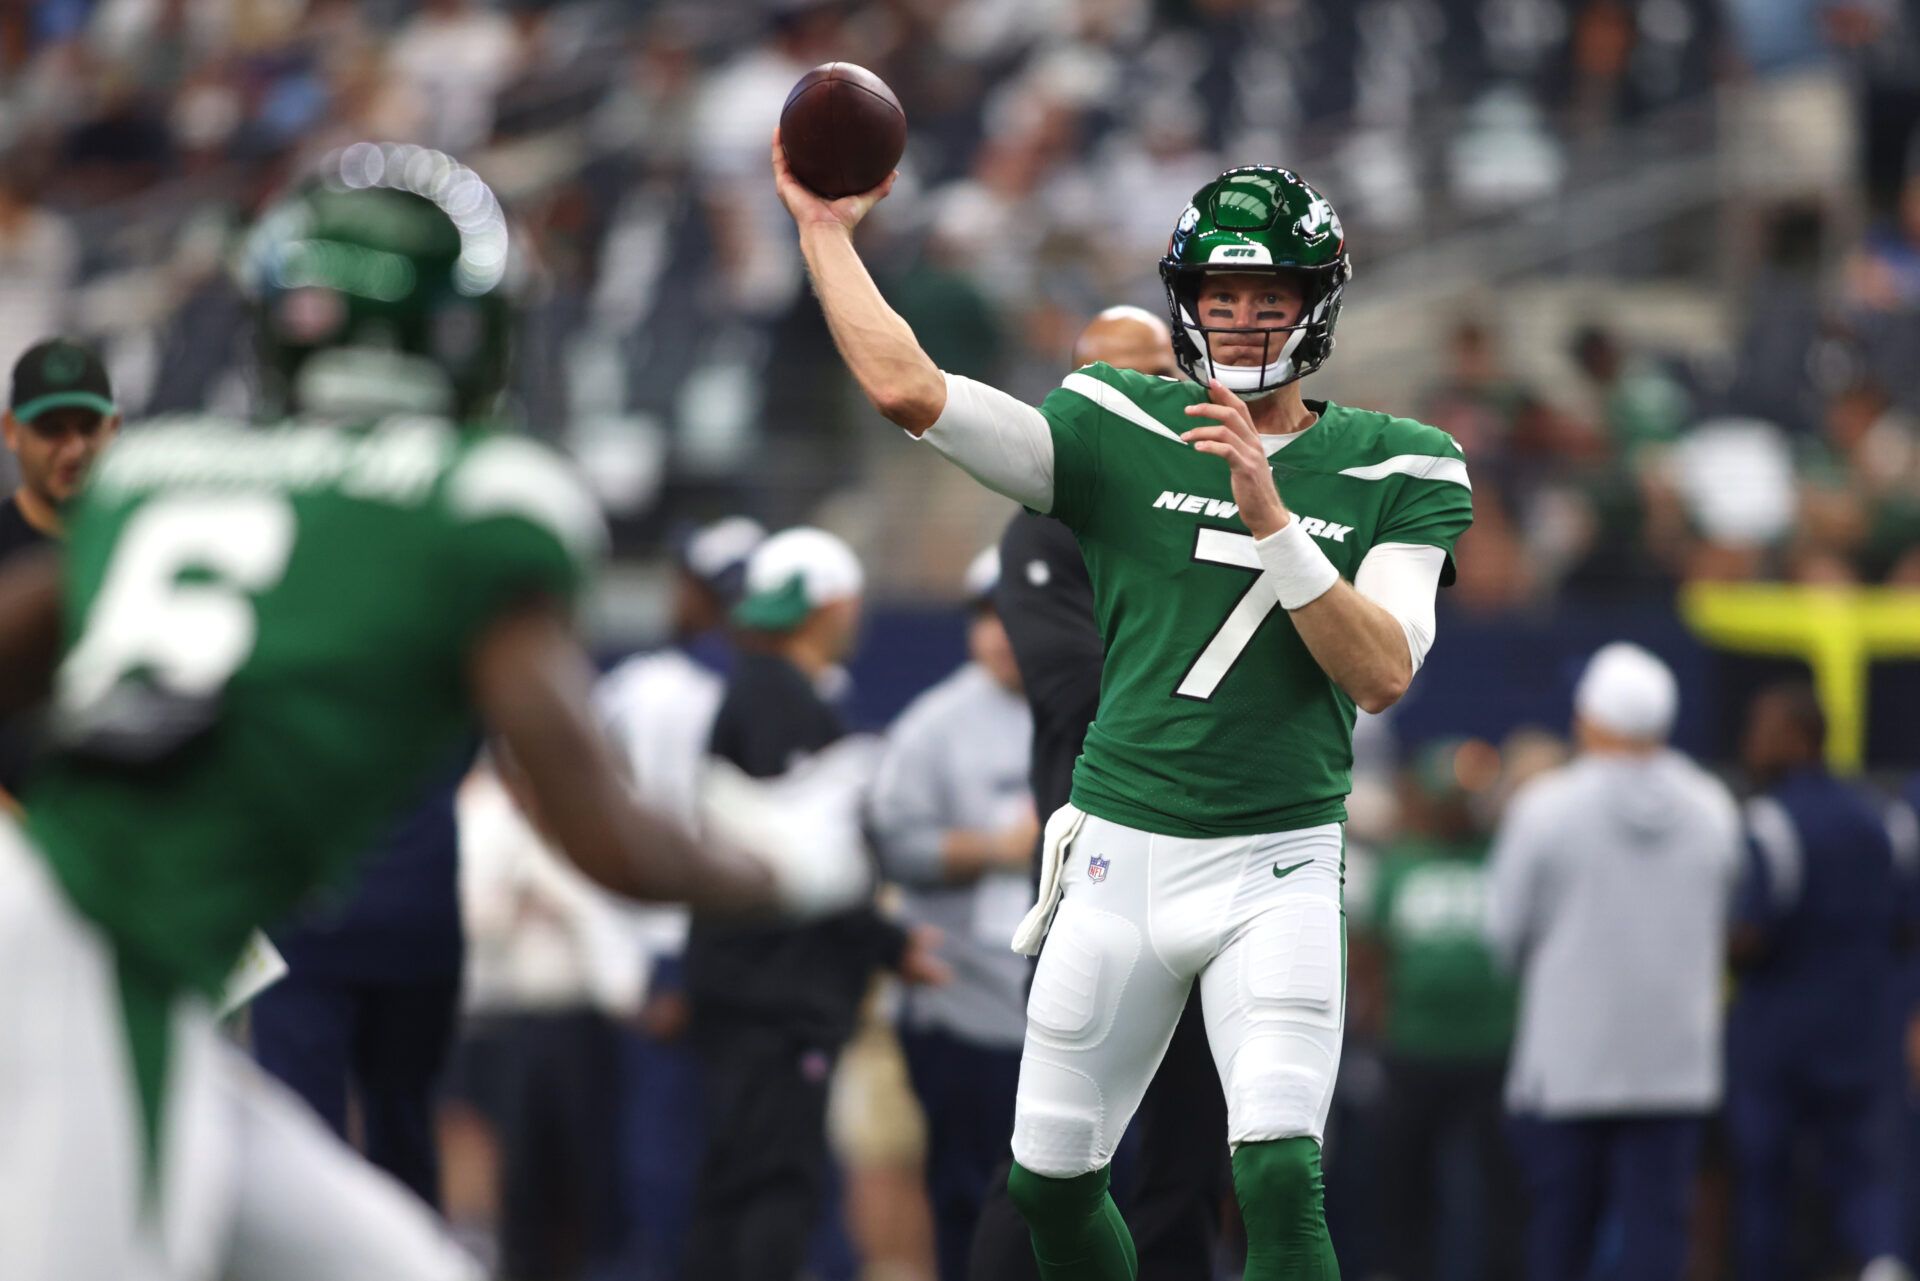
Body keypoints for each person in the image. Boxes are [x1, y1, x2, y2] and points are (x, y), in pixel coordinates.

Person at [0, 143, 848, 1281]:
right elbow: (604, 835)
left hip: (99, 946)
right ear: (457, 332)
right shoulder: (479, 505)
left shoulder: (158, 469)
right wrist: (791, 862)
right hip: (103, 971)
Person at [776, 137, 1474, 1280]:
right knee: (1049, 1183)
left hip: (1278, 858)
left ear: (1317, 300)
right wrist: (824, 233)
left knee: (1278, 1176)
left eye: (1269, 293)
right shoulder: (1115, 419)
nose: (1243, 316)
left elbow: (1383, 668)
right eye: (1221, 292)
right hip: (1120, 851)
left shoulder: (1402, 465)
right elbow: (913, 389)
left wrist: (1275, 522)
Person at [972, 305, 1228, 1281]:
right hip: (1106, 864)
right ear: (1077, 390)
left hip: (1215, 858)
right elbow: (1084, 694)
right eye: (1127, 373)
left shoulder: (1214, 502)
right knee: (1054, 1153)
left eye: (1167, 370)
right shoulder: (1044, 523)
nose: (1154, 391)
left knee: (1191, 1157)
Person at [680, 525, 949, 1281]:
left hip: (755, 986)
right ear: (829, 605)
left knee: (742, 1178)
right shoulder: (778, 701)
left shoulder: (767, 691)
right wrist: (888, 942)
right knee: (773, 1185)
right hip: (772, 993)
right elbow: (806, 865)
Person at [1483, 643, 1741, 1281]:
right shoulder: (1713, 807)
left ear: (1593, 720)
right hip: (1676, 1065)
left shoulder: (1546, 807)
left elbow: (1504, 934)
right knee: (1659, 1236)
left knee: (1561, 1235)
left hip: (1568, 1065)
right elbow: (1728, 920)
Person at [870, 545, 1037, 1281]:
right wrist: (996, 847)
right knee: (971, 1192)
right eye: (984, 615)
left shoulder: (1093, 701)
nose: (1000, 632)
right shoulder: (933, 725)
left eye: (1014, 613)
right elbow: (892, 843)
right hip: (965, 998)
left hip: (1070, 1004)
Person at [1725, 682, 1914, 1281]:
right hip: (1863, 1024)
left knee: (1766, 1175)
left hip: (1778, 1030)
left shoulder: (1769, 822)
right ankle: (1883, 1264)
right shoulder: (1884, 815)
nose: (1749, 742)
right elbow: (1908, 920)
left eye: (1762, 728)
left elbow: (1751, 933)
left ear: (1798, 738)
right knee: (1865, 1167)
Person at [1355, 739, 1518, 1281]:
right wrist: (1381, 1025)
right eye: (1453, 795)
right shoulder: (1402, 861)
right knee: (1406, 1186)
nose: (1462, 807)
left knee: (1496, 1188)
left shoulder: (1505, 856)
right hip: (1413, 1051)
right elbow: (1372, 951)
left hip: (1493, 1051)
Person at [0, 336, 119, 802]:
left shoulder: (134, 543)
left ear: (114, 428)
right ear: (12, 432)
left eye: (88, 428)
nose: (73, 451)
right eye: (52, 429)